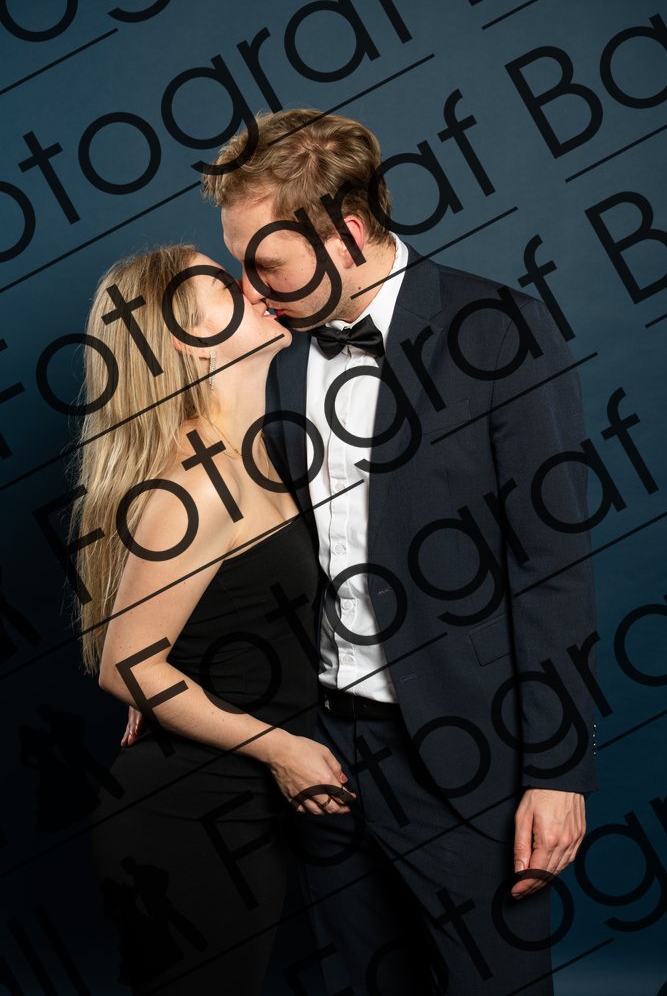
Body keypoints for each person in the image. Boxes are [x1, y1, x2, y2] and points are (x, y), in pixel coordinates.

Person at [127, 110, 597, 994]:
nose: (249, 289)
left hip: (471, 756)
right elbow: (243, 540)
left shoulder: (499, 330)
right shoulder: (272, 358)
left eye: (264, 263)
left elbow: (551, 567)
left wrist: (558, 770)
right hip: (319, 752)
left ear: (345, 235)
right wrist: (163, 666)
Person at [72, 244, 355, 995]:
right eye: (224, 286)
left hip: (240, 807)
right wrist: (283, 751)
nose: (254, 286)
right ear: (186, 339)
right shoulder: (197, 484)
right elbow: (126, 665)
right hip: (188, 815)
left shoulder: (258, 456)